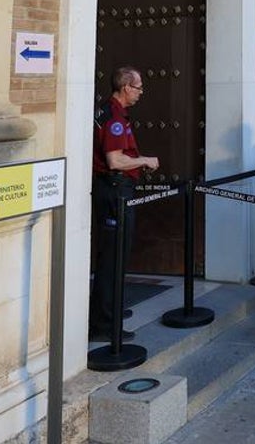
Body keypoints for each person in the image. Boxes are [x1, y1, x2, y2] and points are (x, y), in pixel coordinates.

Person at [89, 66, 160, 342]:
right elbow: (115, 160)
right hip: (115, 190)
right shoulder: (114, 118)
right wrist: (144, 160)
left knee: (113, 256)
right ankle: (104, 325)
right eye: (139, 87)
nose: (141, 92)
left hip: (114, 189)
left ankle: (110, 311)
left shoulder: (108, 111)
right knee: (113, 258)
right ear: (125, 87)